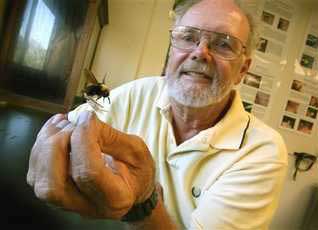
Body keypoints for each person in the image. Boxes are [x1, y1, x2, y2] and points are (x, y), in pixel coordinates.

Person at [27, 0, 288, 229]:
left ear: (243, 69)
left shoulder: (262, 150)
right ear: (171, 49)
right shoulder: (140, 91)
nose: (200, 52)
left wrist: (143, 202)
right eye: (188, 37)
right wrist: (53, 147)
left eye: (223, 44)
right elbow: (69, 131)